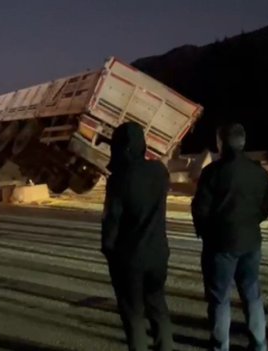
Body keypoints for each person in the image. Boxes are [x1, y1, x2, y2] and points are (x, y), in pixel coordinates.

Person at [192, 123, 268, 351]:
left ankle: (220, 346)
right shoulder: (258, 172)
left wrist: (206, 233)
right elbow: (267, 204)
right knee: (252, 295)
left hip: (220, 244)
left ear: (221, 143)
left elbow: (201, 210)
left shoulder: (212, 173)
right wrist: (252, 220)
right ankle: (259, 344)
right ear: (243, 142)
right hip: (250, 241)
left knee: (219, 298)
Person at [101, 122, 173, 351]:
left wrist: (108, 250)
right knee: (158, 307)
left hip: (129, 258)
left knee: (133, 315)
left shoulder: (118, 180)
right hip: (158, 254)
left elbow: (112, 221)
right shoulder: (160, 172)